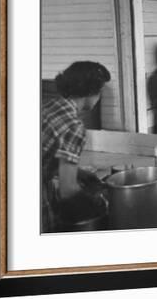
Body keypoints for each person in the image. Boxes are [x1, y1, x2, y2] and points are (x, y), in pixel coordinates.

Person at [41, 61, 111, 233]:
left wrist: (81, 173)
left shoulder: (49, 107)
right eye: (100, 91)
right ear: (90, 92)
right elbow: (68, 190)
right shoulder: (74, 126)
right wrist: (98, 204)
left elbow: (45, 156)